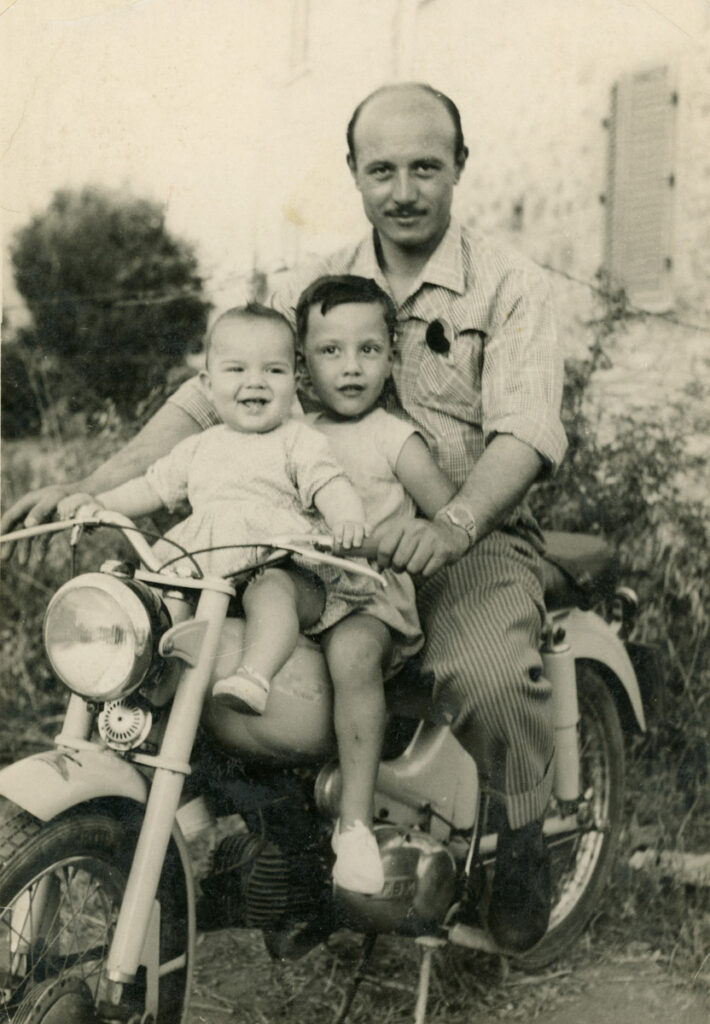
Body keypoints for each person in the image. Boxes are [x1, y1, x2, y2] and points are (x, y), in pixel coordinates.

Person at [2, 83, 567, 952]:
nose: (404, 189)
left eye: (426, 166)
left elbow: (525, 433)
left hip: (465, 528)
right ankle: (283, 852)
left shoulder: (513, 287)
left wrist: (450, 523)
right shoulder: (315, 280)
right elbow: (208, 397)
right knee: (184, 647)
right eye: (382, 169)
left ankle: (525, 838)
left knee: (482, 671)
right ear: (353, 173)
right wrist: (92, 485)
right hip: (302, 538)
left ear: (461, 165)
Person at [58, 303, 374, 717]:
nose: (255, 383)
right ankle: (150, 677)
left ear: (295, 381)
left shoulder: (297, 441)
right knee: (156, 592)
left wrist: (346, 518)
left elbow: (331, 484)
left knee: (271, 592)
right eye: (236, 370)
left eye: (273, 371)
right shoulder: (200, 447)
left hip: (278, 562)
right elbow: (151, 487)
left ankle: (254, 676)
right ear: (207, 385)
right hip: (212, 568)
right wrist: (100, 504)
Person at [297, 273, 456, 893]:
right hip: (305, 589)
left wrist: (414, 536)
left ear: (392, 359)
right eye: (330, 351)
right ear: (303, 365)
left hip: (370, 597)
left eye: (368, 350)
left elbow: (447, 515)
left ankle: (355, 825)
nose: (351, 366)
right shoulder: (294, 434)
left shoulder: (394, 437)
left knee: (352, 651)